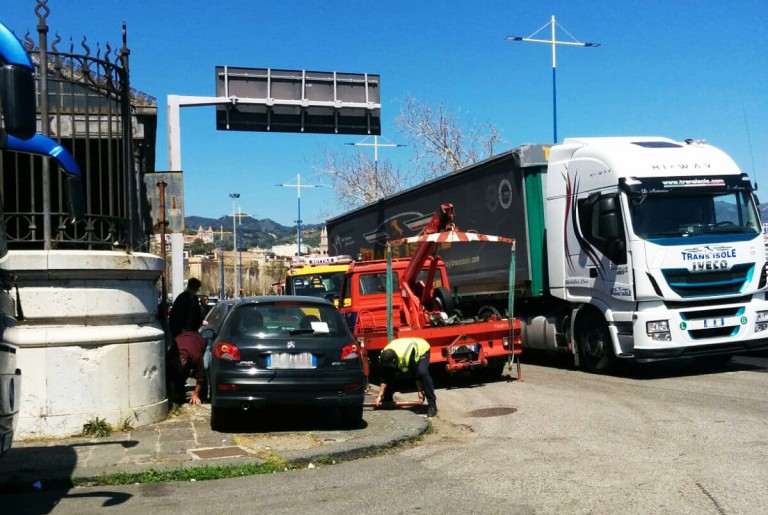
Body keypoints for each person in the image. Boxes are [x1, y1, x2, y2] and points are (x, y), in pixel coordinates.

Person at [375, 337, 437, 418]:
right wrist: (380, 395)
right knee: (389, 372)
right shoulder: (383, 357)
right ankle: (387, 400)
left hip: (422, 348)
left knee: (423, 372)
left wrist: (420, 391)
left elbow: (415, 374)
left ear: (394, 361)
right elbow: (384, 376)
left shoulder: (407, 356)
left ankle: (432, 405)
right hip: (402, 346)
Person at [167, 330, 208, 405]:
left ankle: (202, 397)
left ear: (184, 362)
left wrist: (195, 394)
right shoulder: (171, 354)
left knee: (206, 368)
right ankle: (180, 397)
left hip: (199, 340)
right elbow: (169, 374)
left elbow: (201, 376)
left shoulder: (196, 356)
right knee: (178, 376)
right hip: (183, 337)